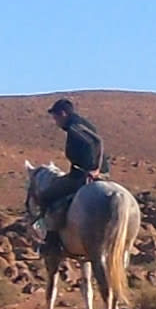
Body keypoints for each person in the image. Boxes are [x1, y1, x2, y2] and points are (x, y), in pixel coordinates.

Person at [31, 97, 106, 227]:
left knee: (46, 196)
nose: (56, 122)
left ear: (63, 114)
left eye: (56, 118)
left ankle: (51, 239)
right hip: (98, 173)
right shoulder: (82, 124)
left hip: (82, 175)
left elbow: (95, 142)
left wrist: (94, 169)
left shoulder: (75, 128)